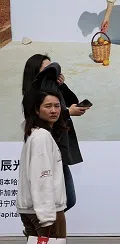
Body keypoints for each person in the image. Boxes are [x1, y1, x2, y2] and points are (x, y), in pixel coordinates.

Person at [17, 89, 76, 244]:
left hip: (32, 211)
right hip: (45, 212)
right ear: (36, 110)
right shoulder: (42, 137)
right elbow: (41, 178)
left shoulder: (34, 134)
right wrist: (47, 216)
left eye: (56, 105)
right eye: (47, 106)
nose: (54, 110)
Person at [22, 56, 88, 212]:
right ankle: (39, 227)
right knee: (62, 200)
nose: (51, 72)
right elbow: (38, 122)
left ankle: (41, 228)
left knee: (66, 200)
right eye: (47, 70)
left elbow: (72, 100)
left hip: (59, 148)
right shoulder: (33, 96)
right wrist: (66, 112)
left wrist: (62, 85)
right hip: (46, 152)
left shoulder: (52, 89)